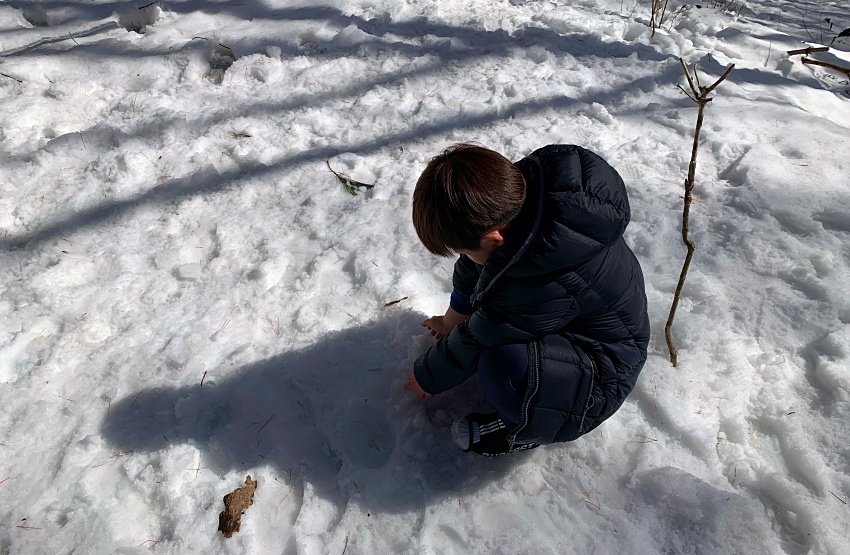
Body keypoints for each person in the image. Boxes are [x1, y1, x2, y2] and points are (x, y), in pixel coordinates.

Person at [404, 144, 650, 456]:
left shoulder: (540, 279)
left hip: (599, 378)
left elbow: (481, 335)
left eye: (463, 249)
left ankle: (523, 429)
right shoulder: (532, 212)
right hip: (580, 326)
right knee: (484, 275)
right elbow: (473, 268)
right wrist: (451, 319)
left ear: (494, 239)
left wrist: (429, 376)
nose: (463, 257)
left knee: (502, 362)